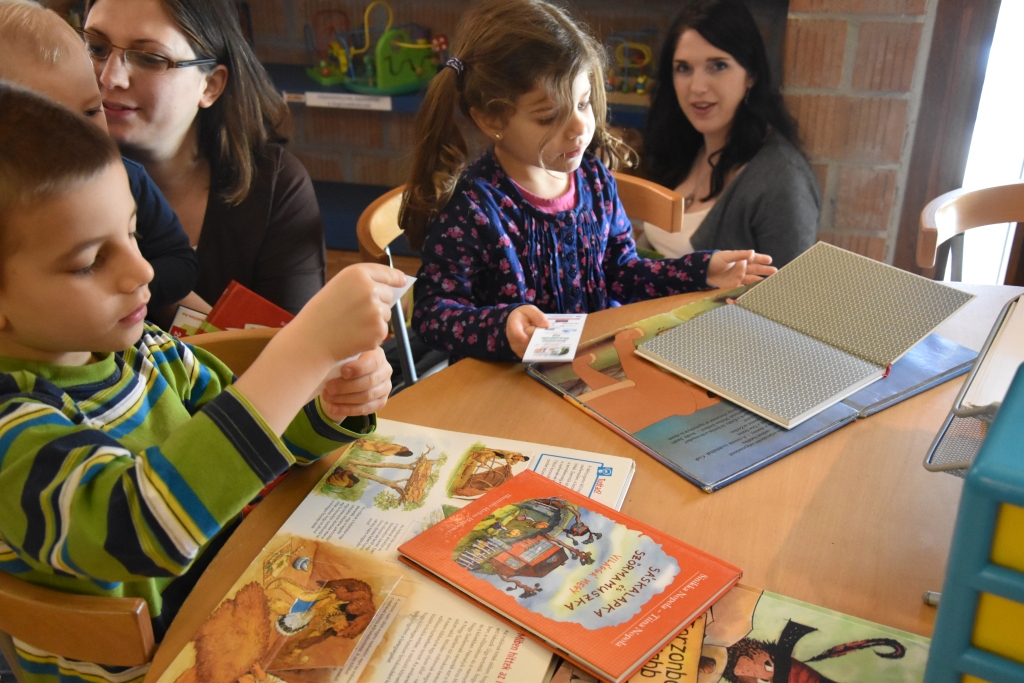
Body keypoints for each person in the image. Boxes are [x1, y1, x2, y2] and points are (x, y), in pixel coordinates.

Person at [0, 84, 407, 681]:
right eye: (89, 262)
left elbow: (254, 444)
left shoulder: (148, 351)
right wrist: (303, 351)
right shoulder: (14, 426)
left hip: (236, 609)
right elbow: (141, 527)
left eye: (133, 234)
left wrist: (328, 404)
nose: (141, 270)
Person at [399, 0, 776, 363]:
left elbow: (622, 273)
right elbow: (432, 315)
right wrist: (501, 327)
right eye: (550, 116)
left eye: (583, 104)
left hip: (588, 366)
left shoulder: (594, 180)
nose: (580, 127)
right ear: (491, 120)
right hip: (505, 382)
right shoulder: (472, 209)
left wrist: (701, 271)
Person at [82, 0, 325, 316]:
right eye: (96, 48)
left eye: (150, 58)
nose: (110, 77)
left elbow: (298, 340)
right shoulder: (49, 179)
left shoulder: (274, 185)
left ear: (210, 86)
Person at [0, 0, 198, 311]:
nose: (83, 137)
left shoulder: (126, 178)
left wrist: (124, 288)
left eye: (92, 111)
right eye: (53, 124)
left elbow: (181, 263)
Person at [642, 0, 820, 267]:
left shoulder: (783, 180)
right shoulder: (687, 143)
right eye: (684, 68)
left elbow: (792, 290)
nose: (697, 87)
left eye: (718, 66)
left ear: (751, 74)